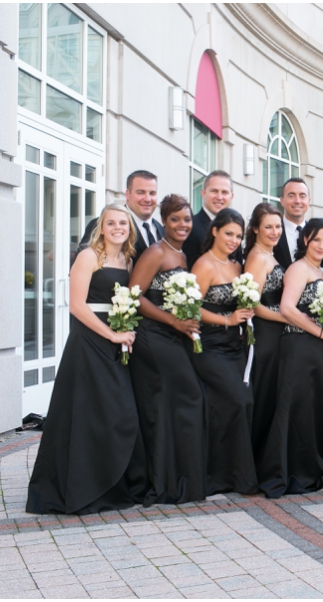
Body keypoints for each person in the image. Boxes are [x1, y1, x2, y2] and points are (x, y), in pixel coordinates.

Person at [27, 204, 147, 514]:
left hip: (116, 342)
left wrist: (124, 332)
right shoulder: (88, 256)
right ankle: (82, 490)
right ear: (102, 227)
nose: (118, 227)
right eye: (111, 222)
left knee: (117, 414)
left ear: (129, 228)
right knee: (86, 415)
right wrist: (112, 335)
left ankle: (110, 482)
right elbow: (77, 306)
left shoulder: (128, 260)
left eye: (123, 222)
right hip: (90, 343)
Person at [128, 194, 206, 505]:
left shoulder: (184, 256)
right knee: (187, 397)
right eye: (175, 219)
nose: (183, 225)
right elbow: (135, 296)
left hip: (176, 337)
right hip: (154, 336)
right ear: (164, 221)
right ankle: (164, 481)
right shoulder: (155, 253)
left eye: (187, 219)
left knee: (176, 403)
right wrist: (173, 322)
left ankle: (179, 477)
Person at [263, 218, 323, 496]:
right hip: (299, 345)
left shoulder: (322, 272)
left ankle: (311, 469)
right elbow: (287, 308)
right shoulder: (298, 269)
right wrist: (320, 331)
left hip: (319, 350)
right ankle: (291, 473)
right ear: (305, 239)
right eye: (317, 239)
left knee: (317, 409)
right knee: (298, 409)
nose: (322, 245)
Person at [190, 208, 258, 495]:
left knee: (237, 405)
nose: (233, 240)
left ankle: (231, 476)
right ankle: (218, 477)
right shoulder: (203, 264)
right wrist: (227, 319)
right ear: (215, 230)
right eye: (229, 233)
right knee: (238, 400)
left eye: (239, 236)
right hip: (210, 346)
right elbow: (190, 308)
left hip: (235, 347)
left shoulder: (236, 266)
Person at [243, 203, 289, 495]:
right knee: (262, 399)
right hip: (266, 336)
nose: (274, 232)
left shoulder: (269, 254)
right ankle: (254, 467)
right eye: (268, 226)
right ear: (256, 229)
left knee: (271, 398)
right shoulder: (258, 258)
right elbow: (253, 305)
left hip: (277, 336)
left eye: (278, 227)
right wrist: (285, 316)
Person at [78, 170, 163, 262]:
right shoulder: (102, 225)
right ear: (128, 194)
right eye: (140, 192)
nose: (147, 199)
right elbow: (80, 267)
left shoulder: (162, 230)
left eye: (152, 193)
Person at [273, 177, 323, 278]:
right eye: (291, 195)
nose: (297, 201)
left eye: (302, 196)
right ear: (282, 200)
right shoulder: (272, 232)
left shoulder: (322, 235)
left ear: (308, 201)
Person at [183, 170, 234, 268]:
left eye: (224, 192)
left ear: (231, 196)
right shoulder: (191, 227)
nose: (219, 197)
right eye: (214, 191)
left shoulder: (235, 230)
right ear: (203, 193)